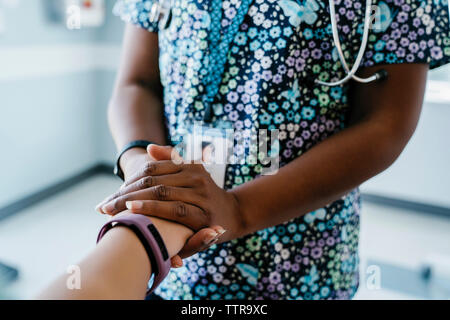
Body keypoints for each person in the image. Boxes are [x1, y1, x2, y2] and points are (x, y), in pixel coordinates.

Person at [96, 0, 450, 300]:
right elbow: (136, 83)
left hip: (302, 269)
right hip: (174, 265)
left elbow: (386, 123)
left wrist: (238, 209)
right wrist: (142, 164)